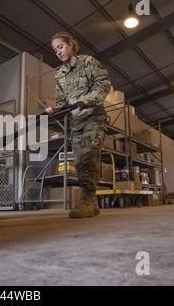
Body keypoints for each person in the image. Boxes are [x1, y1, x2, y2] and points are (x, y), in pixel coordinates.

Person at [46, 31, 112, 218]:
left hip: (94, 117)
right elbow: (62, 102)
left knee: (88, 157)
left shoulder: (87, 62)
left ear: (70, 45)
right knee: (78, 162)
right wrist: (54, 109)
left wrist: (87, 100)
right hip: (76, 123)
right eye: (55, 50)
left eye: (60, 46)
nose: (58, 52)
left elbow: (103, 84)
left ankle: (87, 200)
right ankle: (92, 203)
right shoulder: (59, 75)